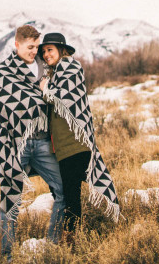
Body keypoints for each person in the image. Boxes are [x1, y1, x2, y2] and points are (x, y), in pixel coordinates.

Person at [38, 32, 120, 241]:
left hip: (75, 143)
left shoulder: (70, 68)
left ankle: (71, 237)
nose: (46, 55)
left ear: (61, 50)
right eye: (44, 51)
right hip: (63, 147)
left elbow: (61, 97)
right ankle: (76, 233)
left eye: (50, 50)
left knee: (71, 193)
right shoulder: (55, 75)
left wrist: (45, 89)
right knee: (68, 192)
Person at [0, 24, 65, 259]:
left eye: (37, 47)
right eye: (30, 47)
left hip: (44, 142)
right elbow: (3, 103)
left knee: (63, 190)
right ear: (17, 45)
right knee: (10, 198)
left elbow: (59, 92)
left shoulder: (45, 67)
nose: (34, 51)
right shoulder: (5, 70)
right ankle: (7, 255)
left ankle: (51, 246)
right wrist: (40, 98)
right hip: (17, 143)